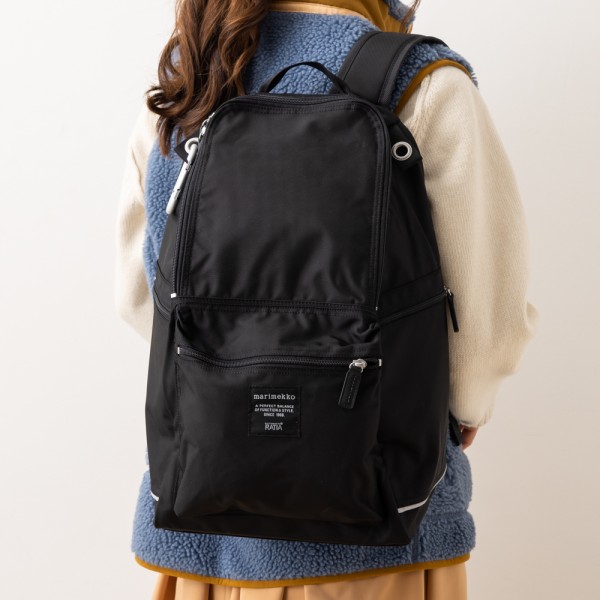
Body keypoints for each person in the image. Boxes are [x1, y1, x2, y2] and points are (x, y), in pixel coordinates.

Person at [115, 1, 539, 598]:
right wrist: (467, 405)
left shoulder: (190, 77)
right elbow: (486, 319)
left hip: (202, 532)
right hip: (373, 543)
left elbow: (141, 299)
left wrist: (238, 377)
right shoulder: (421, 82)